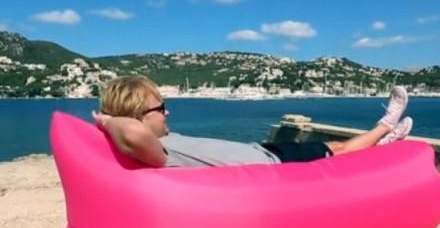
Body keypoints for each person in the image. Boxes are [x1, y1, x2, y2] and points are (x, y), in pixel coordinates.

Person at [92, 75, 413, 168]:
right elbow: (132, 133)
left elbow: (132, 130)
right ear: (137, 116)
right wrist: (108, 120)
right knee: (338, 149)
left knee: (334, 146)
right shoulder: (155, 150)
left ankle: (381, 140)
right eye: (161, 108)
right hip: (273, 163)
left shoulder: (160, 144)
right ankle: (385, 125)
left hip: (262, 150)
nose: (168, 113)